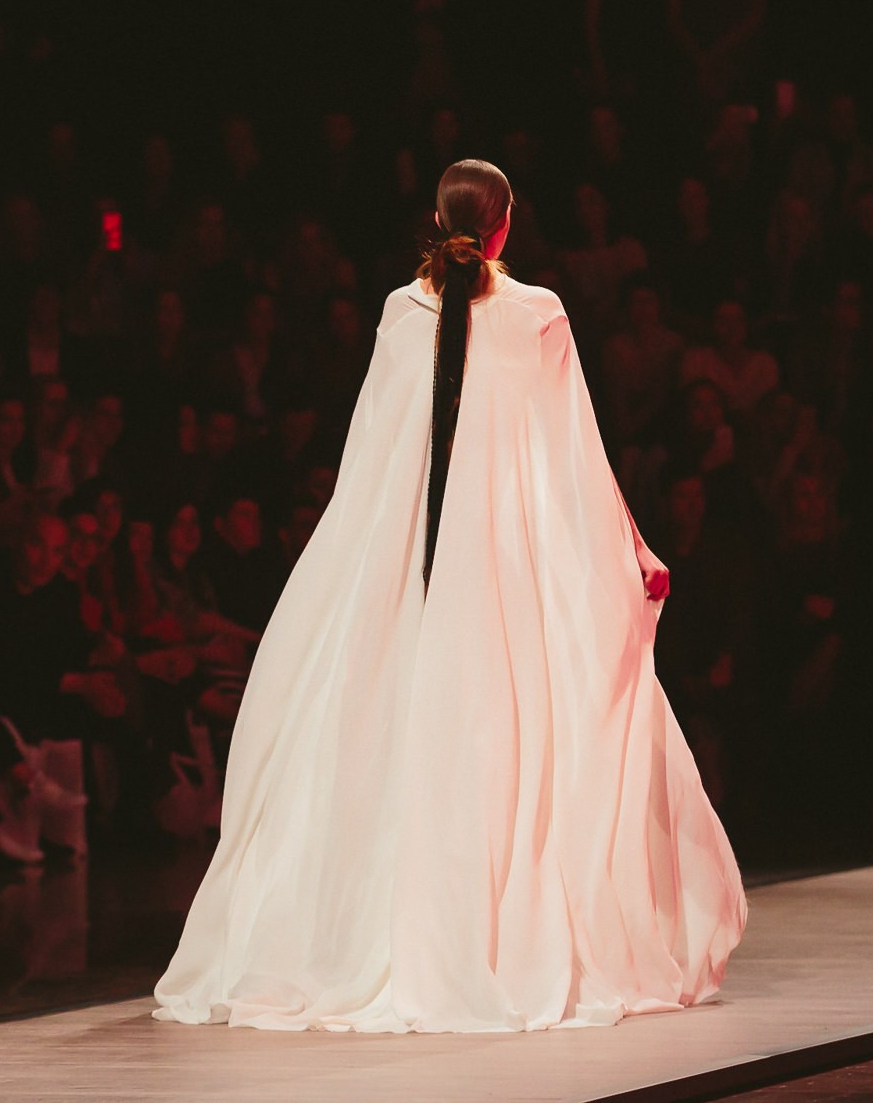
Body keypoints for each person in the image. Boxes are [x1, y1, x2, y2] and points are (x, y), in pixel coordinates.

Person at [154, 159, 746, 1033]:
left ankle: (377, 934)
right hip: (508, 560)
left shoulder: (404, 311)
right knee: (518, 729)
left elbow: (369, 461)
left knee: (388, 727)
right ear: (505, 225)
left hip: (410, 564)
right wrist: (630, 548)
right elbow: (576, 454)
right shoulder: (537, 313)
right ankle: (498, 933)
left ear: (440, 222)